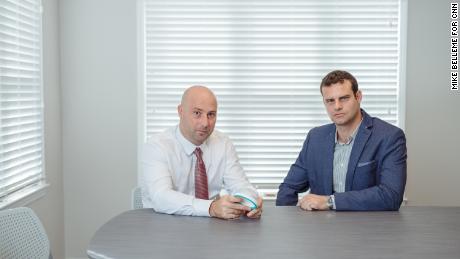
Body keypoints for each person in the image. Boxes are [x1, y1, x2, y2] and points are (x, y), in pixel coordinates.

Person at [276, 70, 407, 211]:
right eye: (330, 101)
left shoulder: (389, 136)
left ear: (358, 96)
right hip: (321, 228)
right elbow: (288, 187)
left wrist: (330, 201)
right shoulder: (315, 138)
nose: (337, 106)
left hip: (369, 228)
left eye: (344, 98)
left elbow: (391, 196)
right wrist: (287, 221)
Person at [141, 85, 263, 219]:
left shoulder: (223, 143)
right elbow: (161, 197)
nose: (205, 123)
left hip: (212, 229)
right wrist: (211, 207)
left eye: (211, 114)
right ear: (180, 111)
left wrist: (250, 201)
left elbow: (240, 185)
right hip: (164, 227)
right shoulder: (157, 146)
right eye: (197, 113)